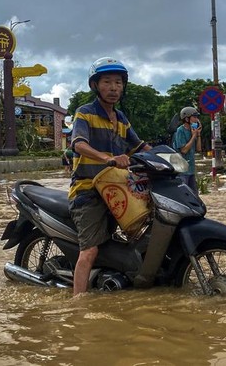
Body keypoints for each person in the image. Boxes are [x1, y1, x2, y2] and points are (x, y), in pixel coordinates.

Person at [69, 57, 152, 296]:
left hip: (117, 187)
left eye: (118, 82)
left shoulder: (122, 118)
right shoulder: (84, 113)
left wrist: (167, 158)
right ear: (95, 85)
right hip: (88, 191)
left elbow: (139, 146)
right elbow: (79, 144)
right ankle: (78, 302)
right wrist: (106, 157)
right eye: (107, 82)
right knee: (90, 251)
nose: (114, 88)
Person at [172, 106, 202, 195]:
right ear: (187, 118)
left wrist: (198, 135)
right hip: (182, 170)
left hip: (191, 169)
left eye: (197, 117)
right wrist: (193, 136)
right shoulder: (180, 131)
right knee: (185, 195)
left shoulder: (193, 130)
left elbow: (199, 149)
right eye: (194, 117)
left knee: (195, 195)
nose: (197, 119)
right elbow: (184, 150)